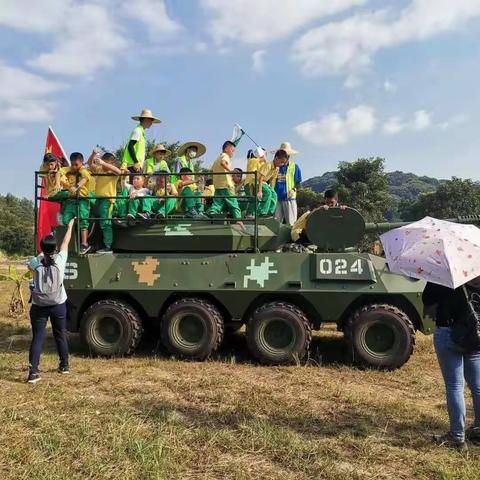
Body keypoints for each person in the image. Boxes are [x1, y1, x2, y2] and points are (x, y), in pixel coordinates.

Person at [423, 281, 480, 450]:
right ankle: (478, 430)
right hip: (475, 333)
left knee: (455, 386)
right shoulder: (476, 269)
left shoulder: (444, 275)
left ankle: (457, 437)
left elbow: (427, 299)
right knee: (477, 386)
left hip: (449, 331)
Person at [27, 218, 76, 384]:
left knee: (38, 337)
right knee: (60, 334)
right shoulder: (61, 260)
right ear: (55, 248)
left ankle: (33, 373)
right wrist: (70, 226)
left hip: (39, 305)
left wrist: (41, 253)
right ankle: (64, 365)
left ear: (42, 248)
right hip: (58, 304)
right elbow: (65, 241)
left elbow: (33, 262)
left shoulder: (35, 262)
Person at [88, 151, 122, 253]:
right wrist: (93, 154)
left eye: (107, 162)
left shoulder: (113, 173)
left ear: (111, 163)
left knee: (105, 223)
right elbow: (90, 164)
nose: (103, 163)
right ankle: (95, 244)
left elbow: (119, 172)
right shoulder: (99, 170)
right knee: (94, 220)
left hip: (107, 200)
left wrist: (103, 163)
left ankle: (108, 246)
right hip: (98, 199)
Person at [60, 152, 92, 254]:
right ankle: (70, 243)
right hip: (70, 200)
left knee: (83, 221)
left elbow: (86, 178)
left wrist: (76, 186)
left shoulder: (83, 170)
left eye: (76, 164)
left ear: (82, 163)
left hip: (82, 200)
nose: (74, 167)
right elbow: (60, 171)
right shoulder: (69, 170)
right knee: (65, 220)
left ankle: (84, 244)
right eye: (72, 164)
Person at [207, 141, 242, 221]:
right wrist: (231, 171)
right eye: (232, 150)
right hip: (226, 185)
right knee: (233, 203)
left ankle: (211, 214)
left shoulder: (217, 159)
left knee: (217, 203)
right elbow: (223, 163)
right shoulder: (225, 156)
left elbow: (212, 170)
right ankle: (239, 220)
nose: (233, 153)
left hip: (218, 186)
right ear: (226, 149)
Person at [270, 142, 302, 226]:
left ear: (288, 156)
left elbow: (298, 182)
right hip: (276, 198)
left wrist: (293, 189)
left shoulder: (294, 167)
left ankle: (291, 239)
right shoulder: (273, 165)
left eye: (285, 154)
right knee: (275, 224)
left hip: (289, 198)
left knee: (291, 224)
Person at [245, 147, 277, 218]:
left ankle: (266, 212)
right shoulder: (252, 160)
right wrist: (264, 158)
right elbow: (260, 161)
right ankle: (250, 214)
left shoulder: (261, 162)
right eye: (264, 153)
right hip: (250, 183)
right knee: (254, 199)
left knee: (270, 195)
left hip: (256, 182)